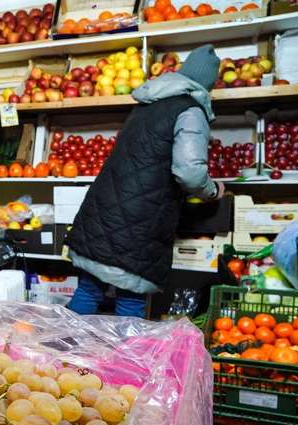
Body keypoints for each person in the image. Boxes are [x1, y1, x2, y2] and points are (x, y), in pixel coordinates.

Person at [66, 44, 225, 318]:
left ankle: (64, 356)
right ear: (207, 85)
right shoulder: (191, 111)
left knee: (88, 290)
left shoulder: (147, 104)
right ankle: (125, 362)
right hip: (139, 224)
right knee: (131, 301)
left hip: (104, 211)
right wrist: (212, 191)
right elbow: (189, 172)